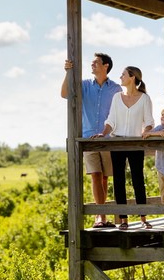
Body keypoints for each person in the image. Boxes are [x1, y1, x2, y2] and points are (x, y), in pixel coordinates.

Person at [61, 53, 122, 228]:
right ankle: (99, 216)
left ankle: (102, 215)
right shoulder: (85, 85)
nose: (92, 65)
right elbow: (65, 93)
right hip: (88, 138)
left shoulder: (116, 89)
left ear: (106, 66)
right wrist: (67, 72)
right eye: (92, 63)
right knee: (95, 175)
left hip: (108, 138)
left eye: (96, 62)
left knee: (104, 178)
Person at [93, 66, 154, 230]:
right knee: (118, 180)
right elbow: (111, 120)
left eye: (123, 75)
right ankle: (123, 219)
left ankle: (143, 217)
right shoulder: (116, 97)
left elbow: (149, 122)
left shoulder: (144, 99)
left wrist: (146, 132)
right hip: (117, 142)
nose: (121, 77)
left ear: (132, 77)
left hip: (135, 143)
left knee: (137, 179)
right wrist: (103, 133)